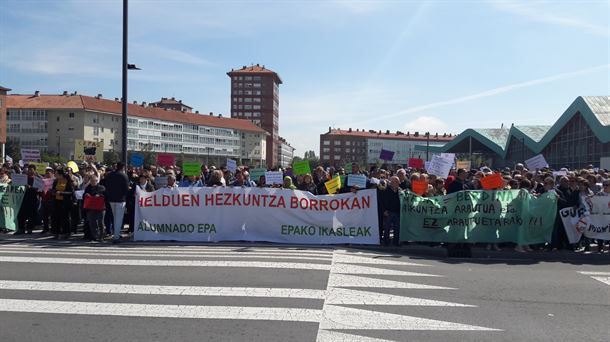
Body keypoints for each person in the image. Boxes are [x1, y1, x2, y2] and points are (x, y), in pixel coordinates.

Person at [104, 162, 130, 244]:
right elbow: (126, 189)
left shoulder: (110, 175)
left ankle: (116, 233)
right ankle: (116, 237)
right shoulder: (124, 176)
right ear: (122, 167)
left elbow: (106, 186)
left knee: (115, 217)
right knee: (118, 219)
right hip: (120, 200)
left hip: (111, 199)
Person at [51, 169, 74, 239]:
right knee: (55, 218)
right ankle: (56, 233)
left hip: (65, 202)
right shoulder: (55, 181)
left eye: (56, 174)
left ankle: (66, 232)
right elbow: (53, 189)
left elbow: (71, 192)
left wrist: (61, 193)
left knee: (64, 218)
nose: (55, 175)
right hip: (56, 201)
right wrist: (53, 191)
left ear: (61, 175)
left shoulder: (68, 181)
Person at [379, 176, 402, 246]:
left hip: (397, 212)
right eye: (396, 181)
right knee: (387, 228)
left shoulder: (400, 190)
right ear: (391, 182)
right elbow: (382, 201)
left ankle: (396, 242)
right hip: (388, 212)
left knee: (397, 228)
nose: (398, 183)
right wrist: (384, 210)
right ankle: (386, 242)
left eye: (398, 181)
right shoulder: (386, 190)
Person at [84, 175, 106, 241]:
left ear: (97, 181)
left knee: (100, 222)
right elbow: (84, 195)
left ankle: (101, 236)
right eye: (92, 181)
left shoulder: (101, 187)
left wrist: (99, 195)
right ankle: (94, 236)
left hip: (100, 207)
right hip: (91, 207)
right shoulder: (88, 188)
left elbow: (105, 194)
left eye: (95, 181)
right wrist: (86, 194)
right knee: (92, 222)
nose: (93, 182)